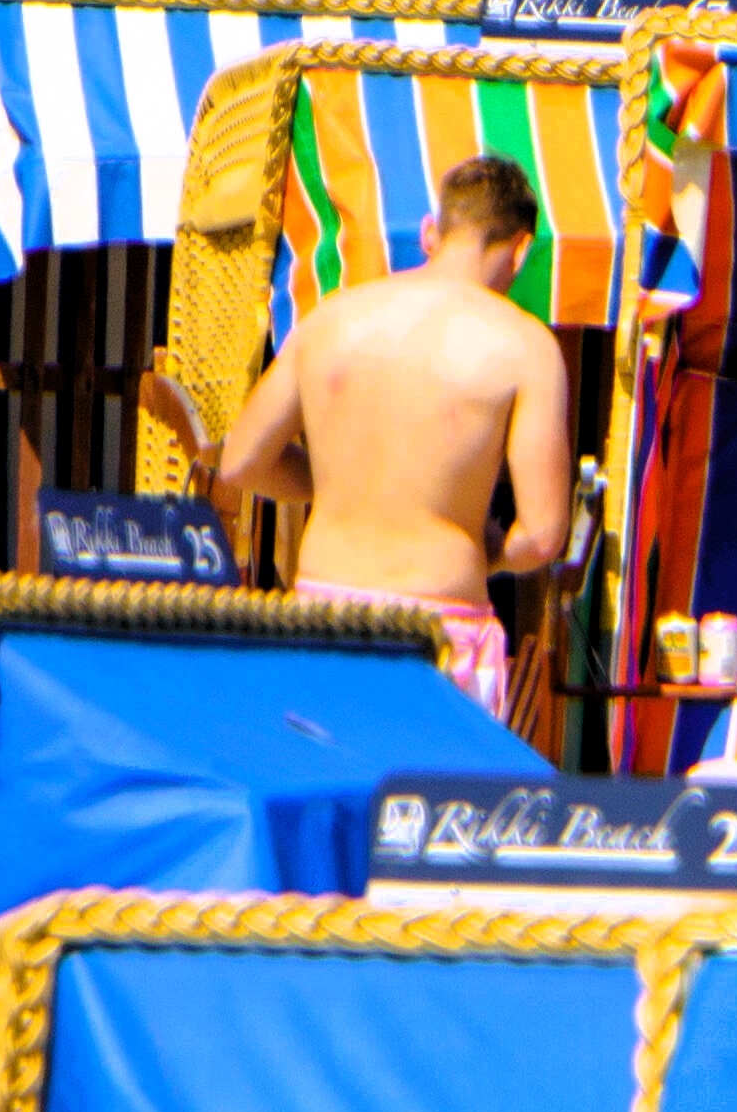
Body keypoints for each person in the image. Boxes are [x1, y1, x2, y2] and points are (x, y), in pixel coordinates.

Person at [212, 149, 572, 716]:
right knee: (432, 803)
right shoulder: (525, 349)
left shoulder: (330, 320)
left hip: (323, 615)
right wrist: (492, 552)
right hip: (438, 632)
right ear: (521, 249)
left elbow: (241, 462)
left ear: (431, 232)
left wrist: (331, 484)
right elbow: (545, 535)